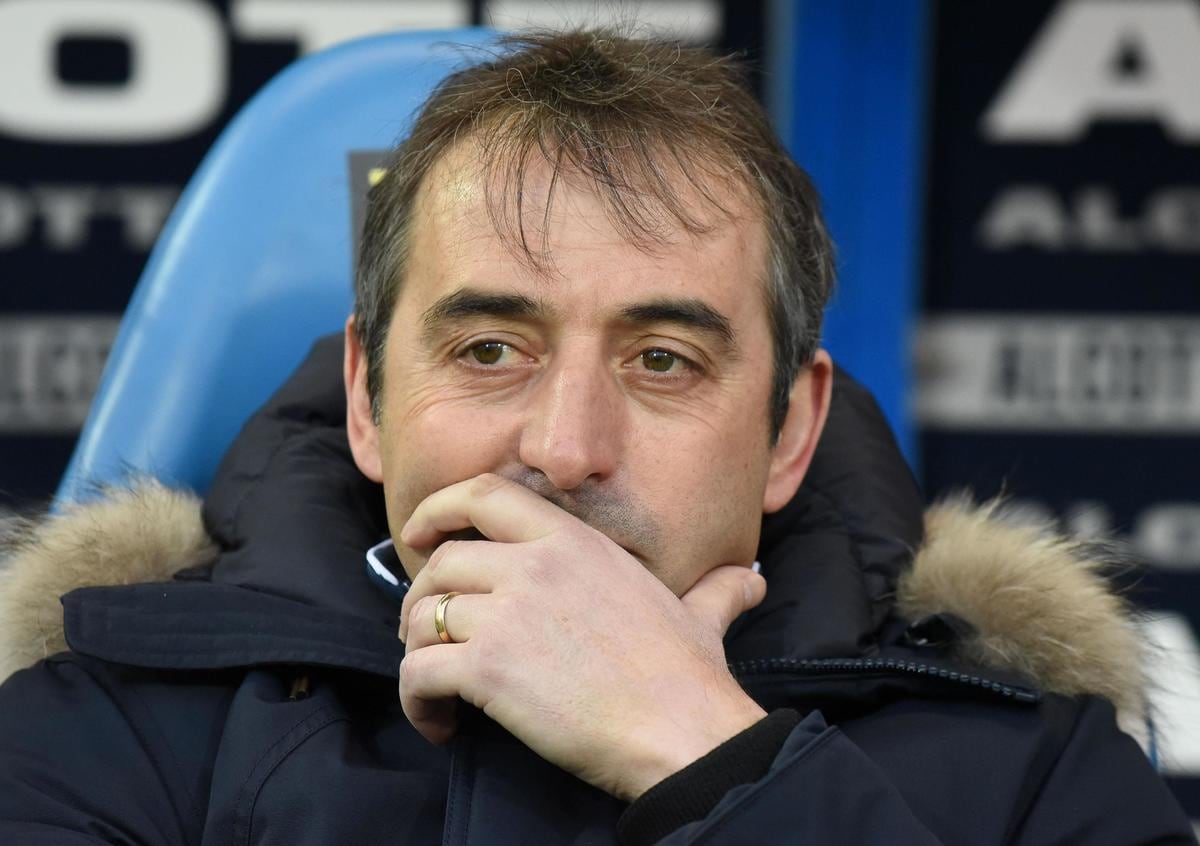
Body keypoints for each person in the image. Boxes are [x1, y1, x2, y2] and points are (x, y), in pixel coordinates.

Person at [0, 29, 1192, 845]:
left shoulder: (1039, 778)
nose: (566, 450)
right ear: (367, 400)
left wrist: (708, 756)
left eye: (662, 360)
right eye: (489, 349)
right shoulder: (105, 731)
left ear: (791, 429)